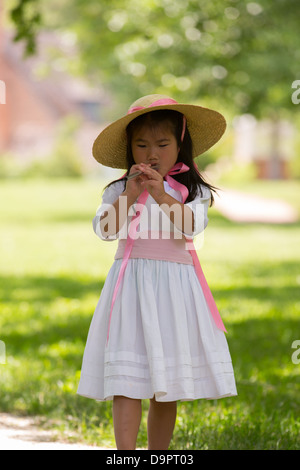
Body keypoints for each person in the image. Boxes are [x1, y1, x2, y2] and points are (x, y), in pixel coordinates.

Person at [77, 94, 237, 450]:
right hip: (132, 287)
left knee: (167, 383)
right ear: (129, 149)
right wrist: (131, 196)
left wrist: (163, 195)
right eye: (142, 145)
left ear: (181, 145)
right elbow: (105, 231)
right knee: (127, 378)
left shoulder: (191, 190)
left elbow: (190, 229)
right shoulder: (120, 189)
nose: (152, 154)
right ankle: (125, 454)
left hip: (174, 292)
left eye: (163, 144)